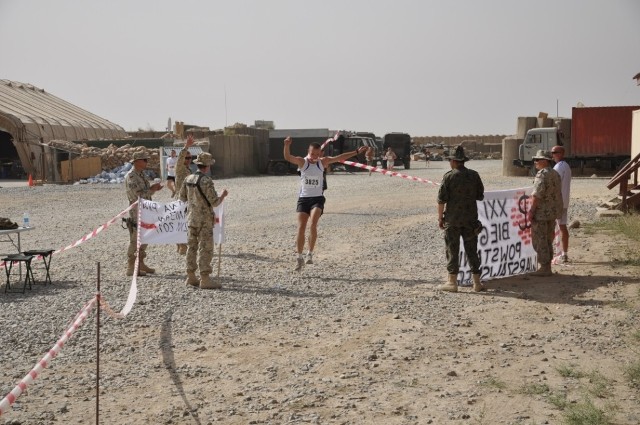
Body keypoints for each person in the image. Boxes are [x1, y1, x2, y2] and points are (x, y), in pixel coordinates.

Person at [284, 137, 367, 271]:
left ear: (320, 154)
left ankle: (309, 253)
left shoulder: (323, 162)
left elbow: (340, 157)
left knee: (313, 224)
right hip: (303, 199)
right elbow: (288, 157)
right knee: (301, 227)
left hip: (317, 199)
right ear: (308, 151)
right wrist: (287, 145)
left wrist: (356, 151)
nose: (314, 157)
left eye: (317, 154)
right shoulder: (302, 162)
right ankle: (299, 257)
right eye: (312, 154)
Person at [437, 145, 485, 292]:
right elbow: (480, 196)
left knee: (452, 249)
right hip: (470, 220)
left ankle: (452, 282)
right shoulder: (474, 175)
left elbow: (441, 200)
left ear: (453, 161)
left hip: (453, 220)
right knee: (472, 249)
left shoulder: (449, 176)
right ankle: (477, 283)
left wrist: (440, 218)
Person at [178, 152, 228, 289]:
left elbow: (182, 198)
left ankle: (191, 276)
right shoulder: (206, 181)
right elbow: (215, 202)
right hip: (204, 220)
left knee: (191, 247)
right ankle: (205, 279)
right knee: (205, 248)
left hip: (191, 219)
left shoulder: (188, 179)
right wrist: (223, 195)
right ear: (207, 165)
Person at [124, 151, 163, 277]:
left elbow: (145, 191)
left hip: (146, 209)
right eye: (144, 160)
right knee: (136, 239)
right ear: (136, 161)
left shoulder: (142, 174)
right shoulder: (131, 176)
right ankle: (131, 266)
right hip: (137, 211)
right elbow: (138, 194)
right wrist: (152, 189)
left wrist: (153, 188)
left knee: (146, 237)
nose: (146, 162)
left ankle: (140, 263)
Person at [527, 150, 563, 277]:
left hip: (542, 213)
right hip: (552, 213)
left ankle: (544, 266)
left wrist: (531, 210)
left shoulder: (542, 174)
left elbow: (537, 195)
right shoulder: (555, 173)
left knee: (540, 240)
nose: (535, 162)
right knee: (548, 239)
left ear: (545, 161)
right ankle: (547, 265)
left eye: (538, 160)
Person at [174, 135, 196, 255]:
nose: (188, 160)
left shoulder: (189, 170)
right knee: (181, 223)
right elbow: (180, 159)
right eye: (186, 158)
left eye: (189, 158)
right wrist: (186, 146)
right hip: (181, 200)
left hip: (188, 199)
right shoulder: (180, 168)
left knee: (184, 223)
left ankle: (181, 245)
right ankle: (181, 246)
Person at [552, 145, 571, 263]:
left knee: (551, 227)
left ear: (561, 153)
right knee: (563, 227)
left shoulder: (558, 167)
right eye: (552, 152)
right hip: (564, 201)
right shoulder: (566, 166)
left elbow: (553, 184)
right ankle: (564, 253)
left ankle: (551, 253)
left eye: (554, 152)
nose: (552, 155)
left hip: (557, 202)